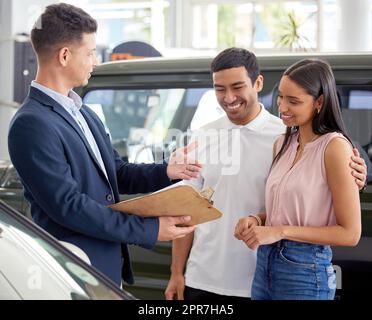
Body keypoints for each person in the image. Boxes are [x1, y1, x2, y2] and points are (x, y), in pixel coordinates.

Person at [7, 3, 200, 287]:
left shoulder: (83, 112)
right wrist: (148, 229)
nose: (94, 61)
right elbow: (69, 206)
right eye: (90, 53)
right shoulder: (31, 124)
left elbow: (116, 172)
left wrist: (167, 171)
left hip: (103, 268)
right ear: (64, 55)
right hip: (73, 273)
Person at [165, 48, 367, 300]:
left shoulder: (284, 135)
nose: (229, 97)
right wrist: (176, 272)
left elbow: (333, 205)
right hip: (210, 277)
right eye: (219, 89)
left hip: (265, 274)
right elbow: (187, 210)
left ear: (258, 83)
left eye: (237, 87)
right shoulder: (207, 137)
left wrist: (354, 177)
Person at [235, 58, 361, 300]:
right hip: (265, 264)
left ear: (319, 102)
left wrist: (279, 231)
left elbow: (350, 233)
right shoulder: (281, 144)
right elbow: (288, 209)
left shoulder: (334, 147)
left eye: (293, 101)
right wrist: (256, 220)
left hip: (306, 269)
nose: (282, 107)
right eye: (281, 96)